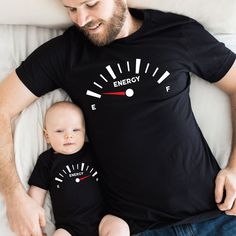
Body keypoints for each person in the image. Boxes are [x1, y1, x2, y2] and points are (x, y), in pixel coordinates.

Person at [0, 0, 236, 235]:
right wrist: (14, 198)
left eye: (90, 4)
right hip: (134, 228)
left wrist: (235, 168)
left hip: (219, 213)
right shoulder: (65, 54)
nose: (82, 20)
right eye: (71, 9)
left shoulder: (176, 33)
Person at [28, 101, 130, 236]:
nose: (68, 135)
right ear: (47, 136)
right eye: (59, 131)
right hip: (68, 229)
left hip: (102, 220)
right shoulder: (47, 160)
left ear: (84, 131)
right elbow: (37, 191)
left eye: (75, 130)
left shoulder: (93, 151)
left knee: (120, 226)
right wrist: (35, 224)